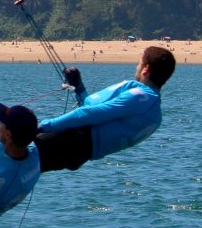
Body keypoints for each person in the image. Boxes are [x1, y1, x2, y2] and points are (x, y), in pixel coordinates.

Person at [35, 45, 175, 173]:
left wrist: (43, 126)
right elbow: (98, 114)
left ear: (146, 69)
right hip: (80, 153)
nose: (136, 67)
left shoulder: (141, 96)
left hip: (70, 141)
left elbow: (89, 114)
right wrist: (79, 87)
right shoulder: (155, 113)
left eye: (139, 63)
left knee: (16, 153)